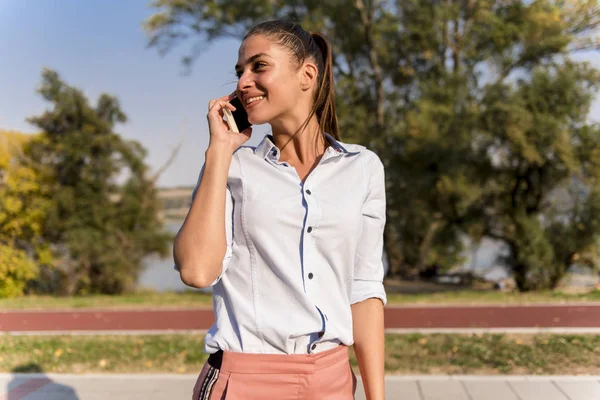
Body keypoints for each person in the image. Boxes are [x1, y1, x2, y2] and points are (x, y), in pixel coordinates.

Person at [174, 19, 387, 400]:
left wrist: (377, 396)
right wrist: (220, 151)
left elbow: (365, 288)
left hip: (333, 381)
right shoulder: (232, 167)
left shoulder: (363, 167)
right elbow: (196, 270)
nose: (242, 82)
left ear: (307, 74)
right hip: (244, 381)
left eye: (259, 66)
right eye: (240, 72)